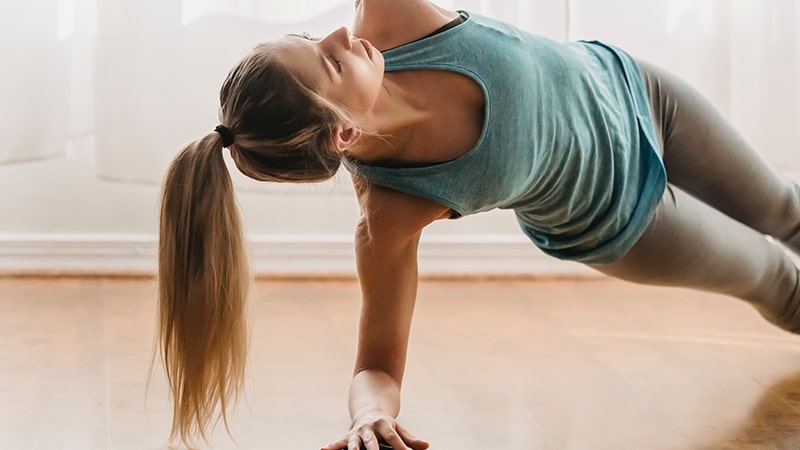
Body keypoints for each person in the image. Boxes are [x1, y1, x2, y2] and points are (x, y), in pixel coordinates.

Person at [153, 1, 800, 449]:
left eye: (309, 38)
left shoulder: (391, 18)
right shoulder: (391, 214)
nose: (337, 36)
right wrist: (371, 414)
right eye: (329, 63)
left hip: (634, 91)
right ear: (343, 132)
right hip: (618, 219)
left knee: (784, 207)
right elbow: (378, 364)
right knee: (778, 280)